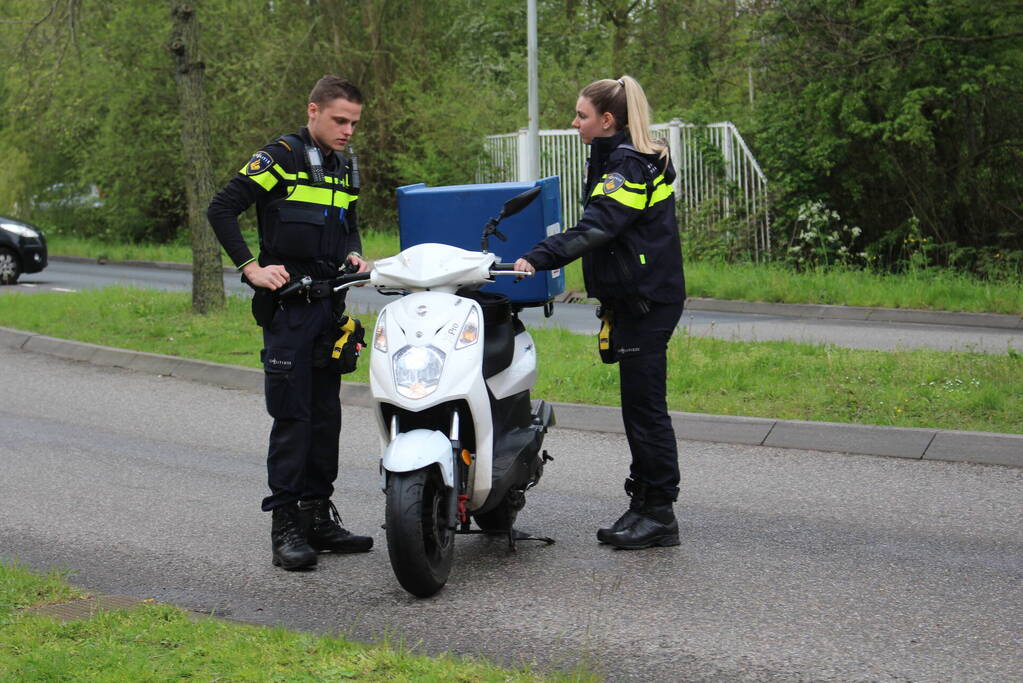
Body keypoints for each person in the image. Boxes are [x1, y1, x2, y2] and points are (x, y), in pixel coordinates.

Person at [207, 75, 373, 570]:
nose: (347, 130)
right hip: (290, 309)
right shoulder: (280, 156)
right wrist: (250, 267)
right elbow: (221, 208)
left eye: (354, 123)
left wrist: (355, 255)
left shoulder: (343, 165)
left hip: (330, 308)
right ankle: (285, 528)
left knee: (326, 419)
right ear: (313, 111)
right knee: (293, 418)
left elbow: (350, 224)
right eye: (339, 120)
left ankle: (318, 518)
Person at [514, 75, 686, 550]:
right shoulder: (619, 158)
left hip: (646, 302)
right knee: (639, 409)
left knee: (646, 412)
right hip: (639, 298)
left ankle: (659, 514)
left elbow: (597, 229)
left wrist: (539, 256)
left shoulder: (627, 166)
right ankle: (644, 505)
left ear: (606, 120)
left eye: (582, 115)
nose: (574, 123)